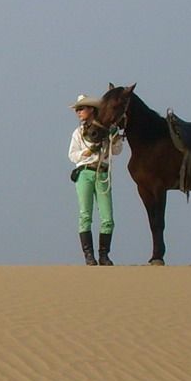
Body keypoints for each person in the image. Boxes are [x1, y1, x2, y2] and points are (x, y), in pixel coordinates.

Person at [69, 94, 123, 265]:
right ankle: (89, 255)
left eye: (81, 108)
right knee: (85, 215)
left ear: (91, 109)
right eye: (78, 109)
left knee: (107, 217)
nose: (78, 112)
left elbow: (117, 150)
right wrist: (85, 153)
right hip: (85, 171)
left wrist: (114, 139)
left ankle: (104, 254)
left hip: (102, 172)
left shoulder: (105, 130)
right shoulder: (78, 132)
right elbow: (72, 155)